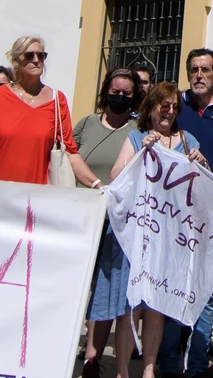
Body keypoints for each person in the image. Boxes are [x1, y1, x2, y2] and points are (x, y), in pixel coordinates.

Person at [113, 83, 210, 378]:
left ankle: (149, 369)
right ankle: (121, 371)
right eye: (163, 106)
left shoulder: (187, 138)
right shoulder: (136, 136)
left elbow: (201, 188)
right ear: (151, 107)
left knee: (157, 304)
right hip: (141, 232)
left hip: (170, 234)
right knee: (134, 303)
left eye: (173, 107)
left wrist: (202, 163)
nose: (169, 112)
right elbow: (116, 176)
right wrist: (141, 154)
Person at [168, 48, 213, 378]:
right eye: (194, 69)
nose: (200, 75)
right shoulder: (175, 106)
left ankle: (198, 365)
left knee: (208, 292)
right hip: (174, 213)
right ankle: (169, 364)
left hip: (212, 214)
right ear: (188, 74)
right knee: (172, 287)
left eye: (206, 70)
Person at [0, 36, 101, 186]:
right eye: (29, 55)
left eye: (41, 55)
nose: (36, 60)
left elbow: (70, 152)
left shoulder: (57, 100)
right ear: (16, 62)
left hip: (32, 200)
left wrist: (97, 185)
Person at [80, 67, 145, 378]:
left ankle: (93, 357)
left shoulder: (137, 132)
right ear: (105, 90)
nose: (119, 97)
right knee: (78, 287)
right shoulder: (86, 124)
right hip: (81, 215)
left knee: (105, 291)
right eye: (115, 91)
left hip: (116, 224)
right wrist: (94, 184)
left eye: (126, 93)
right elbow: (67, 155)